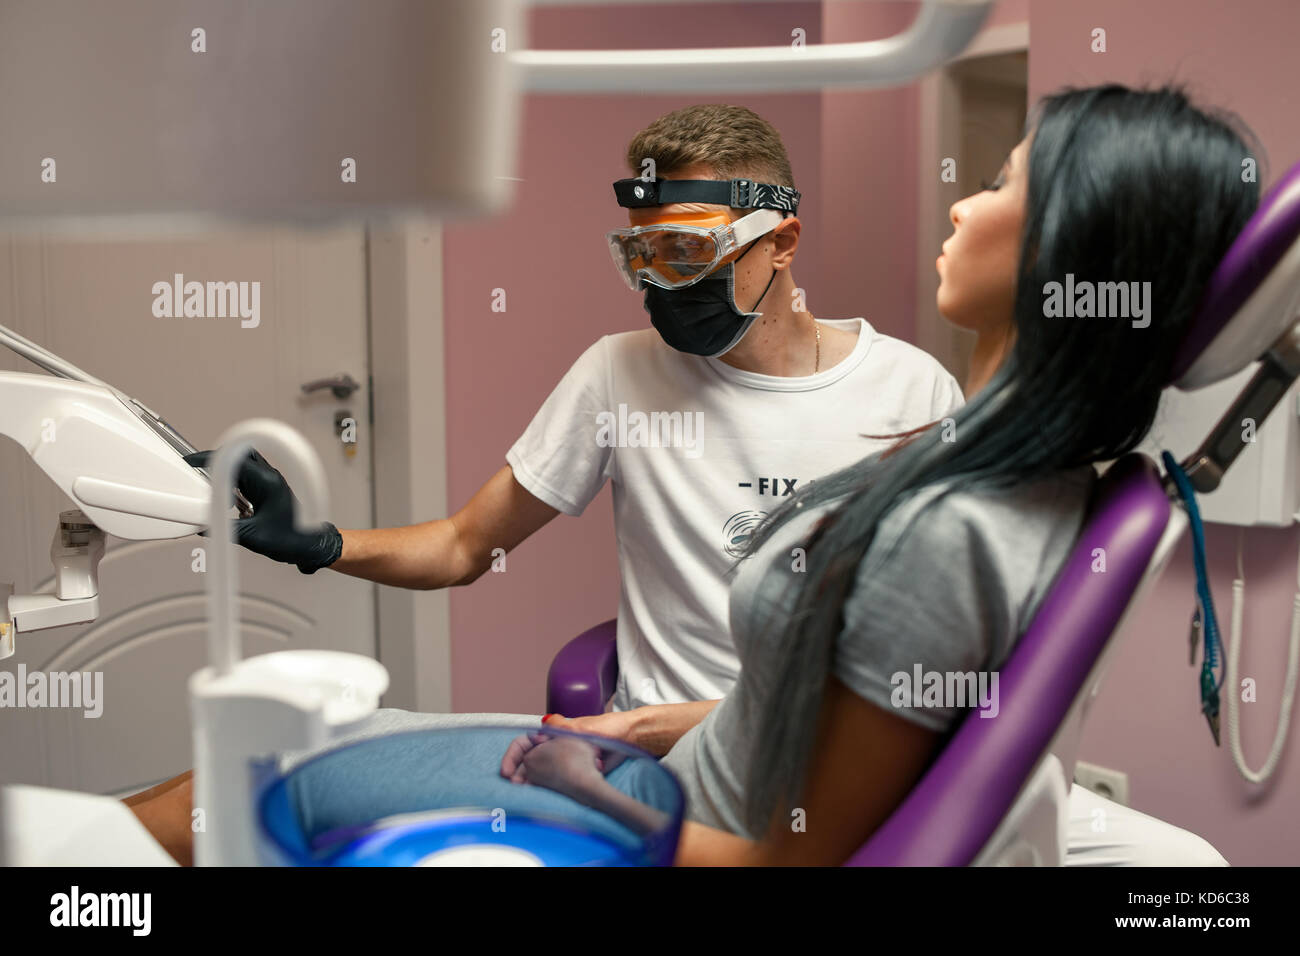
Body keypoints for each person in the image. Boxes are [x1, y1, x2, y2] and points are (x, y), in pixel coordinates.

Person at [139, 88, 1249, 864]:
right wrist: (322, 545)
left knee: (233, 798)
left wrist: (625, 783)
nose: (658, 286)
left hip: (711, 783)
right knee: (238, 781)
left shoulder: (918, 411)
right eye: (642, 255)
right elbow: (465, 545)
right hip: (688, 743)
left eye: (685, 253)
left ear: (781, 242)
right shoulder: (621, 374)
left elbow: (879, 730)